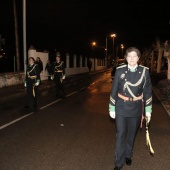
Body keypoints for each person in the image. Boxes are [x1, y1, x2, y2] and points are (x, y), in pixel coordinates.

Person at [109, 47, 152, 170]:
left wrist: (148, 111)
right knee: (121, 134)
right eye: (129, 56)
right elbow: (114, 90)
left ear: (138, 58)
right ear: (126, 58)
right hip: (121, 106)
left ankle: (128, 155)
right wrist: (112, 107)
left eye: (134, 56)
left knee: (131, 135)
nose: (132, 58)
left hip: (136, 108)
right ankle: (118, 162)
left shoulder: (145, 72)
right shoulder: (119, 70)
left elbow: (148, 92)